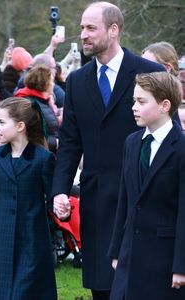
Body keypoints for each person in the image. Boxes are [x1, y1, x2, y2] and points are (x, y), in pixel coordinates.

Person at [51, 2, 165, 300]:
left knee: (143, 284)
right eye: (81, 28)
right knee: (102, 286)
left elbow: (167, 137)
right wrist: (60, 190)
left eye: (91, 28)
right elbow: (70, 142)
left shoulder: (149, 72)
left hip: (144, 196)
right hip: (97, 198)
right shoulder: (76, 81)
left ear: (114, 30)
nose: (83, 35)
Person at [108, 72, 185, 299]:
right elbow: (125, 200)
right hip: (130, 254)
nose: (134, 107)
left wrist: (181, 265)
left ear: (164, 105)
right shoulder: (131, 143)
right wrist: (116, 250)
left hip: (164, 257)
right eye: (134, 101)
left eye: (141, 102)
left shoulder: (181, 149)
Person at [0, 97, 57, 300]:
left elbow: (53, 200)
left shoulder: (43, 158)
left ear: (20, 126)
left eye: (2, 122)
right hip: (0, 239)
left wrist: (62, 212)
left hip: (32, 240)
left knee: (24, 293)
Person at [15, 65, 59, 153]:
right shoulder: (30, 105)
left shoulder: (43, 101)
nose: (53, 84)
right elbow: (30, 137)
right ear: (44, 83)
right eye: (51, 81)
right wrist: (55, 143)